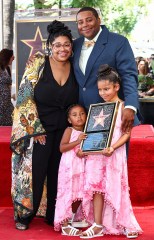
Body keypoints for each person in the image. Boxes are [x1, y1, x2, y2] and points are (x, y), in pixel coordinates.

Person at [10, 20, 79, 230]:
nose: (62, 49)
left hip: (65, 132)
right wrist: (34, 129)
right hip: (39, 130)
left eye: (66, 44)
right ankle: (24, 215)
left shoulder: (76, 66)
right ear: (50, 46)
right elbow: (24, 96)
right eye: (57, 45)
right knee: (35, 173)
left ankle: (53, 214)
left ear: (71, 46)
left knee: (59, 171)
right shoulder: (38, 62)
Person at [79, 64, 142, 239]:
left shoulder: (124, 108)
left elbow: (127, 134)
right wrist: (86, 142)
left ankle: (125, 223)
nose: (103, 93)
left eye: (107, 89)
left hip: (115, 153)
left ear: (116, 87)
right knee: (97, 188)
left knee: (117, 187)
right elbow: (92, 133)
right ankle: (97, 225)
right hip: (97, 154)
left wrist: (113, 147)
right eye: (100, 90)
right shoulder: (98, 109)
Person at [73, 7, 141, 134]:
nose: (85, 25)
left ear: (99, 20)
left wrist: (130, 106)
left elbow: (129, 75)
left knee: (119, 153)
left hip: (115, 114)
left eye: (89, 20)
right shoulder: (75, 45)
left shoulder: (118, 41)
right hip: (84, 118)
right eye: (80, 22)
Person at [54, 104, 88, 236]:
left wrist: (83, 152)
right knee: (68, 194)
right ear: (69, 119)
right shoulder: (69, 130)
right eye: (74, 115)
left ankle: (72, 218)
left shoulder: (87, 131)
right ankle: (64, 224)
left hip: (81, 166)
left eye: (82, 114)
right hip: (69, 167)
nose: (79, 117)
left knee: (79, 194)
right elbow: (62, 148)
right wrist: (77, 142)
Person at [0, 48, 14, 125]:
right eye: (12, 56)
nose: (13, 58)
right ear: (7, 57)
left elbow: (9, 86)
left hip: (7, 104)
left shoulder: (7, 69)